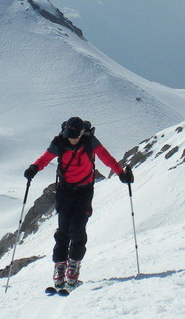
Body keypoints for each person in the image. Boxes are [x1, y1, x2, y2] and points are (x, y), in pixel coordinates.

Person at [24, 116, 133, 289]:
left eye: (74, 136)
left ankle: (72, 269)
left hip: (84, 191)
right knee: (63, 230)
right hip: (65, 190)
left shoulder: (90, 141)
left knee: (78, 229)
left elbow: (106, 158)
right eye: (69, 135)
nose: (72, 139)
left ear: (82, 132)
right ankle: (60, 270)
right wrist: (34, 168)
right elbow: (45, 158)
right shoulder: (60, 141)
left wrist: (121, 173)